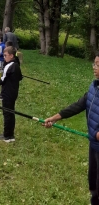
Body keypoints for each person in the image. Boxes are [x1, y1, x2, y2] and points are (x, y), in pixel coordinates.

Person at [43, 52, 99, 205]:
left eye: (98, 64)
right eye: (94, 63)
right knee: (93, 182)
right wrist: (54, 118)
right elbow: (78, 106)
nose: (94, 67)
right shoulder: (94, 87)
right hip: (94, 144)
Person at [0, 46, 23, 142]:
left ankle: (6, 136)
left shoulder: (9, 66)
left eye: (5, 55)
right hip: (14, 93)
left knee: (7, 114)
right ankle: (11, 135)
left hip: (7, 94)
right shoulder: (16, 64)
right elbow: (20, 77)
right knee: (11, 113)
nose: (4, 57)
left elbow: (2, 80)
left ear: (11, 55)